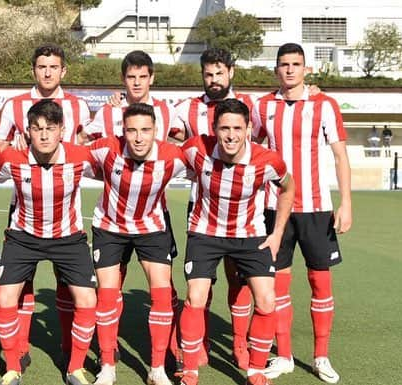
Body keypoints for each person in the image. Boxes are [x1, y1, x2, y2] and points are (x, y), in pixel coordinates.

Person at [80, 49, 184, 377]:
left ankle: (169, 353)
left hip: (155, 213)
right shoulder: (110, 113)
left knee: (164, 289)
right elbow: (85, 144)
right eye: (130, 77)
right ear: (123, 79)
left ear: (152, 78)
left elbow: (185, 139)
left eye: (142, 77)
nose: (136, 83)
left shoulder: (167, 112)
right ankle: (108, 356)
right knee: (111, 289)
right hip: (113, 217)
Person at [252, 43, 352, 384]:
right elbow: (250, 151)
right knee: (278, 285)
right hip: (274, 208)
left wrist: (346, 203)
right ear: (276, 69)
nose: (290, 69)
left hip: (316, 208)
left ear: (306, 69)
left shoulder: (325, 105)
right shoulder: (262, 107)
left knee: (320, 282)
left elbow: (340, 156)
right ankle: (283, 356)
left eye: (296, 64)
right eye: (284, 64)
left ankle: (321, 357)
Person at [177, 98, 295, 385]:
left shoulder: (268, 160)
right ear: (214, 129)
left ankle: (255, 370)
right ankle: (190, 370)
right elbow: (166, 164)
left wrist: (277, 233)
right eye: (224, 128)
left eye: (237, 128)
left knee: (267, 300)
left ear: (249, 129)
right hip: (206, 233)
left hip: (249, 234)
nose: (231, 135)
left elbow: (288, 188)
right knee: (196, 297)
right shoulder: (196, 149)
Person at [0, 43, 92, 369]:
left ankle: (68, 347)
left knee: (67, 284)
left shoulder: (78, 106)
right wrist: (14, 144)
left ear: (63, 71)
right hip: (24, 205)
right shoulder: (15, 105)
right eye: (41, 67)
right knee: (22, 285)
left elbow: (86, 147)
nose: (47, 72)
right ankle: (18, 350)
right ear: (33, 70)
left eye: (53, 67)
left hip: (67, 211)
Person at [171, 47, 257, 371]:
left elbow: (266, 142)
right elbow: (163, 132)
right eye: (208, 74)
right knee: (201, 283)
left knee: (240, 280)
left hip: (243, 207)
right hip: (203, 205)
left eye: (219, 73)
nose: (214, 79)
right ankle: (201, 342)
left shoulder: (252, 105)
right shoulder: (188, 108)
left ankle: (239, 344)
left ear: (231, 72)